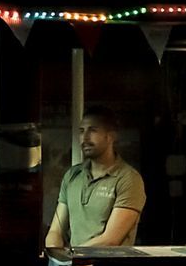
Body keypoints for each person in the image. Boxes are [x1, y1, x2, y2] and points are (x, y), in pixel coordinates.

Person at [45, 106, 146, 250]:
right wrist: (55, 254)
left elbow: (110, 240)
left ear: (111, 136)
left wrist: (72, 256)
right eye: (81, 131)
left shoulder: (128, 179)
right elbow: (55, 230)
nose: (85, 138)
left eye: (92, 130)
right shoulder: (73, 175)